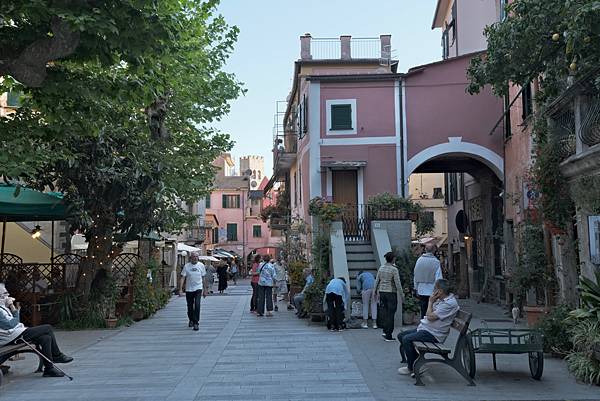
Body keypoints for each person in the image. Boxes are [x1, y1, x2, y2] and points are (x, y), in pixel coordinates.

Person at [0, 283, 73, 377]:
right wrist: (13, 308)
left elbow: (13, 323)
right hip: (10, 337)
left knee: (45, 338)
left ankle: (49, 369)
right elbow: (10, 324)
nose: (8, 295)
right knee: (47, 328)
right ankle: (57, 356)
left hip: (14, 333)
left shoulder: (2, 307)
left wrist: (11, 308)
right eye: (5, 293)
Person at [397, 278, 459, 376]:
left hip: (434, 334)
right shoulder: (442, 300)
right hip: (427, 329)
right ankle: (417, 361)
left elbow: (430, 317)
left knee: (406, 339)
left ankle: (412, 367)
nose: (433, 290)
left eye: (435, 288)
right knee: (401, 335)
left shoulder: (449, 303)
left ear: (440, 291)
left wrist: (430, 302)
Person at [374, 251, 403, 342]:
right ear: (393, 259)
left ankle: (384, 330)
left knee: (385, 312)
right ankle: (388, 334)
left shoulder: (381, 268)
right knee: (391, 313)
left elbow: (377, 280)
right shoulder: (394, 269)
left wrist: (375, 291)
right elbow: (397, 283)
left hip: (382, 292)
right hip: (391, 292)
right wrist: (402, 294)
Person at [179, 252, 208, 331]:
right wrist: (180, 289)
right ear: (190, 258)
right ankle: (191, 319)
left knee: (197, 305)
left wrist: (205, 290)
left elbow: (204, 278)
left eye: (197, 256)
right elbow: (182, 278)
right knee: (190, 306)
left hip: (198, 288)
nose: (195, 258)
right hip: (189, 289)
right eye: (194, 256)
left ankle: (196, 323)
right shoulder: (186, 266)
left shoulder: (201, 265)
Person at [413, 244, 443, 318]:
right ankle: (429, 324)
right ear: (434, 250)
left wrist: (416, 287)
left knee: (423, 309)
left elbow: (415, 274)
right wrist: (439, 289)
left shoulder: (419, 260)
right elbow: (438, 277)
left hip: (421, 289)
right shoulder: (436, 262)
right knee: (431, 309)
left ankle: (423, 323)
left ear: (425, 250)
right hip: (432, 289)